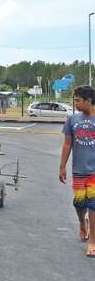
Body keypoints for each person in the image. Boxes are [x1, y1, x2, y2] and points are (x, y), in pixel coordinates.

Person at [60, 85, 95, 257]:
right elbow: (67, 144)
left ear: (89, 101)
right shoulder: (72, 120)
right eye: (74, 100)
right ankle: (82, 222)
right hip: (78, 170)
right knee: (79, 203)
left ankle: (93, 241)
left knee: (93, 204)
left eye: (78, 100)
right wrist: (62, 166)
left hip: (94, 172)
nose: (75, 103)